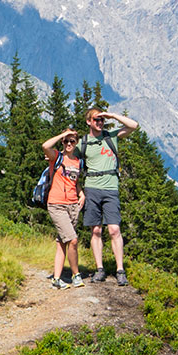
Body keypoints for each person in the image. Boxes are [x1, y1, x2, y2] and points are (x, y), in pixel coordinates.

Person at [78, 108, 139, 285]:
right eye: (96, 119)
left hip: (111, 188)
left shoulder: (110, 136)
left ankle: (120, 270)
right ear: (88, 121)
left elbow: (134, 126)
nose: (100, 122)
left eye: (101, 120)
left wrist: (111, 115)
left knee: (114, 229)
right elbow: (70, 162)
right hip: (91, 189)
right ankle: (100, 269)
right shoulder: (83, 143)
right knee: (95, 230)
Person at [42, 128, 87, 289]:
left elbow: (73, 182)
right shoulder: (56, 157)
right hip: (56, 204)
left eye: (72, 141)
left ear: (76, 143)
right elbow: (45, 145)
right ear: (62, 142)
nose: (69, 143)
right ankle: (76, 275)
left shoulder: (78, 162)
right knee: (73, 240)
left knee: (62, 242)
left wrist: (81, 194)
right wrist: (63, 134)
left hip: (73, 205)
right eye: (66, 141)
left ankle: (56, 279)